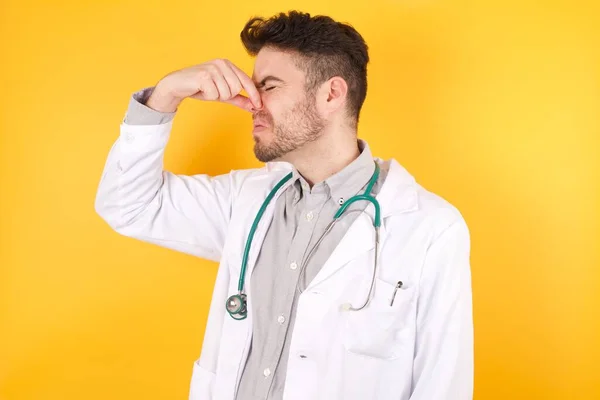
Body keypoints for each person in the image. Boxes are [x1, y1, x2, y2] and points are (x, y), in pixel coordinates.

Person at [94, 10, 473, 400]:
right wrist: (165, 95)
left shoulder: (430, 229)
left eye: (269, 86)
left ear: (331, 94)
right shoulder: (247, 199)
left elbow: (444, 385)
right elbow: (129, 206)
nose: (250, 102)